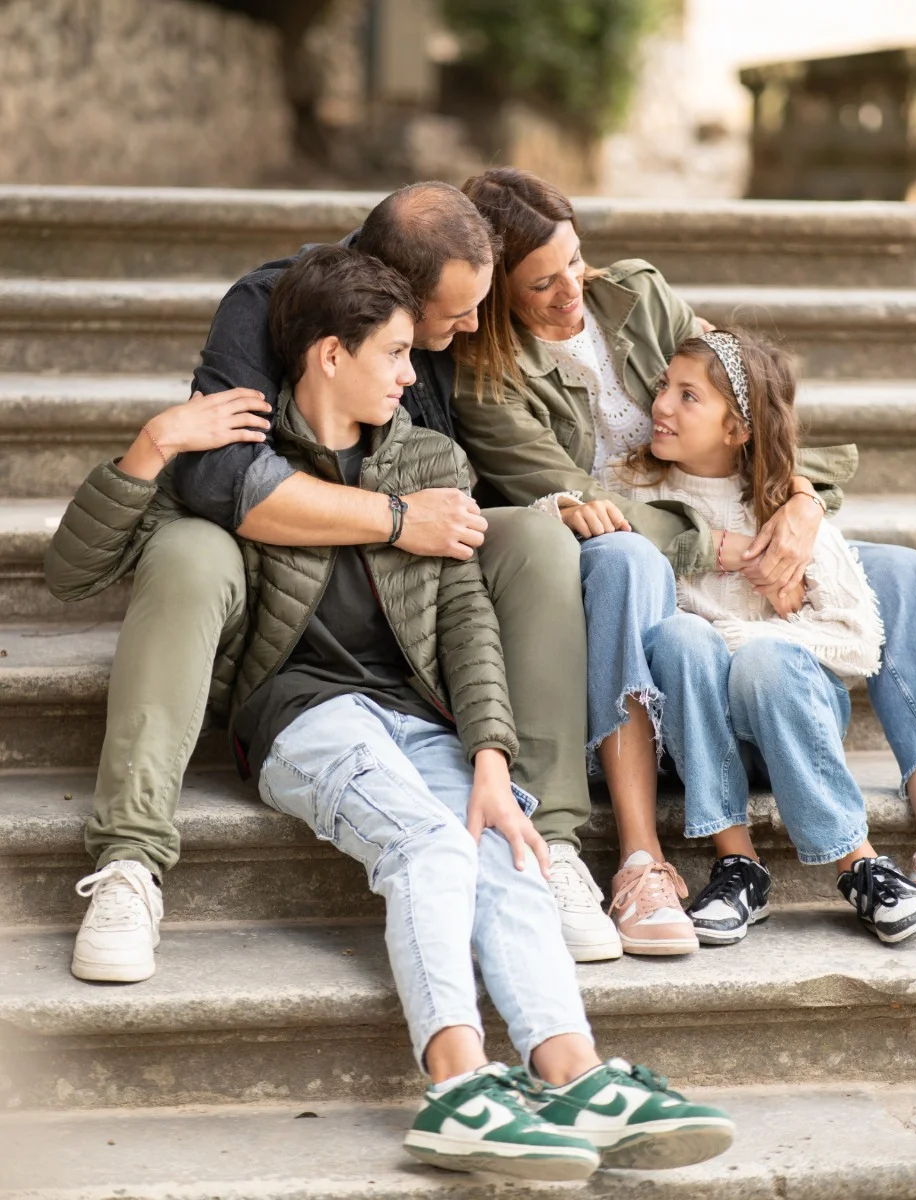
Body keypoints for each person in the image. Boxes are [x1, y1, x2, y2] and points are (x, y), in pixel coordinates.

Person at [201, 245, 739, 1178]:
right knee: (431, 845)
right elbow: (94, 555)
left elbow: (464, 616)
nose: (417, 377)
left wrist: (492, 753)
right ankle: (456, 1086)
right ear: (333, 354)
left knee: (511, 839)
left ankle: (572, 1071)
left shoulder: (427, 453)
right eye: (400, 355)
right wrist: (152, 450)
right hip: (300, 710)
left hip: (415, 710)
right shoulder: (246, 451)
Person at [44, 182, 627, 978]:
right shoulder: (272, 311)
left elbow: (461, 560)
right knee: (188, 550)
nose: (468, 332)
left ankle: (551, 839)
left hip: (414, 598)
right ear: (376, 316)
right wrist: (393, 517)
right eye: (447, 319)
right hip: (288, 621)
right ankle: (128, 865)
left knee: (538, 540)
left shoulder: (442, 354)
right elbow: (220, 485)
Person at [451, 167, 916, 945]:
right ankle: (651, 854)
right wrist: (718, 547)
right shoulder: (488, 385)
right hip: (630, 561)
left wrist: (799, 501)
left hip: (730, 517)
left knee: (908, 575)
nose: (571, 293)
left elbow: (747, 395)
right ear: (494, 293)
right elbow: (588, 505)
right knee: (635, 565)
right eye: (541, 284)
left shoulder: (635, 297)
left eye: (575, 262)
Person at [587, 328, 916, 944]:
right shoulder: (629, 491)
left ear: (738, 430)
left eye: (688, 396)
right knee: (679, 640)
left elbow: (858, 639)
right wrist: (733, 634)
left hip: (786, 717)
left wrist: (751, 637)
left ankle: (860, 865)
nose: (661, 405)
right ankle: (737, 865)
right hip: (691, 733)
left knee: (766, 657)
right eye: (664, 386)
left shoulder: (784, 508)